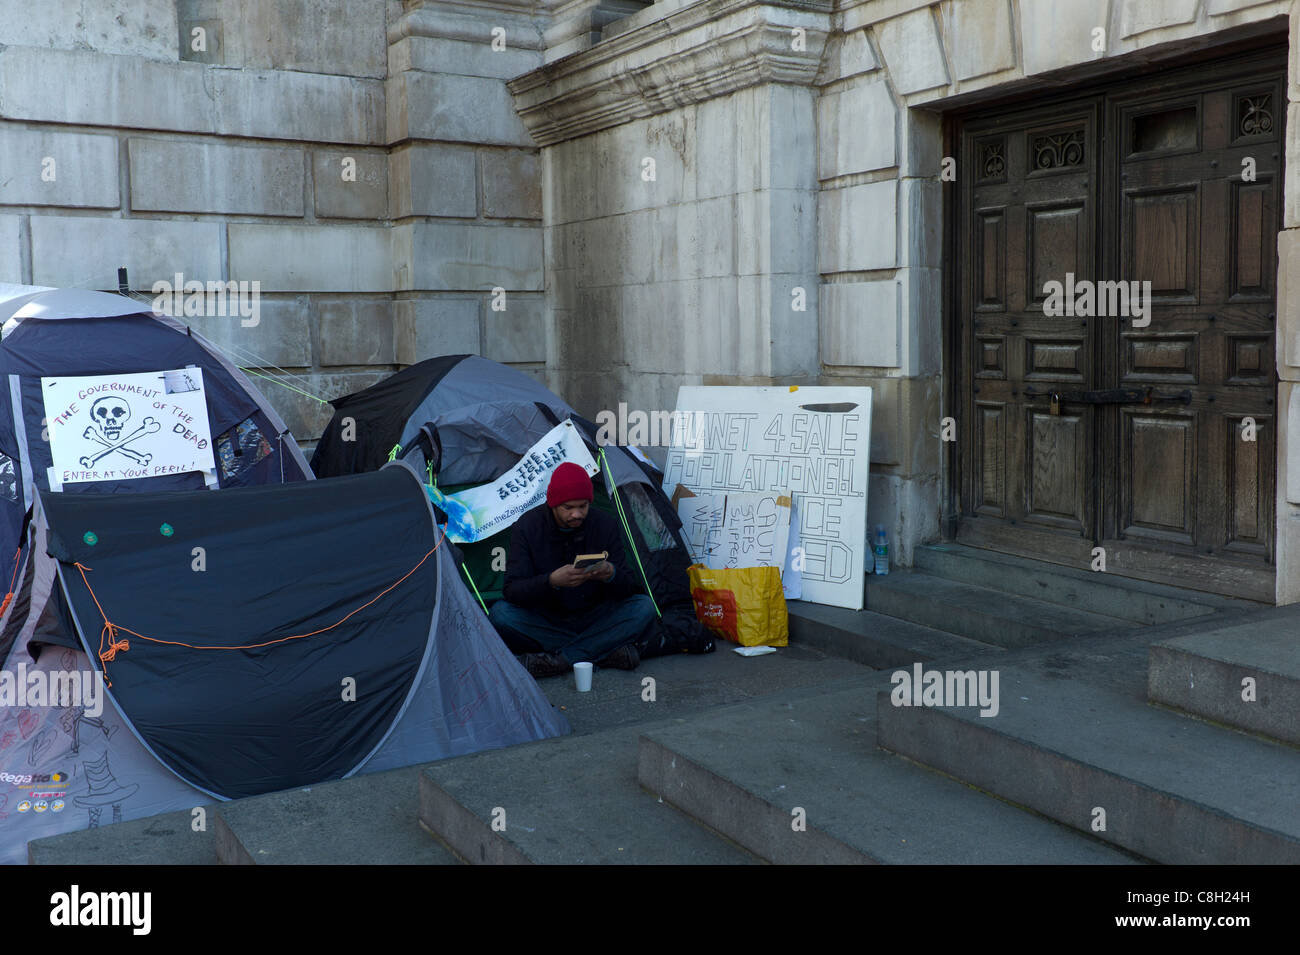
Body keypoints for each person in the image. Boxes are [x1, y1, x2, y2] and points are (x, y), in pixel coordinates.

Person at [489, 462, 656, 678]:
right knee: (500, 615)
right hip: (547, 619)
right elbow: (512, 590)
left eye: (583, 506)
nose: (577, 514)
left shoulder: (604, 524)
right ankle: (601, 652)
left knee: (644, 607)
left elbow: (629, 587)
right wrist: (551, 581)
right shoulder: (528, 526)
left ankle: (561, 660)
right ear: (553, 504)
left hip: (595, 616)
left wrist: (610, 574)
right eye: (568, 508)